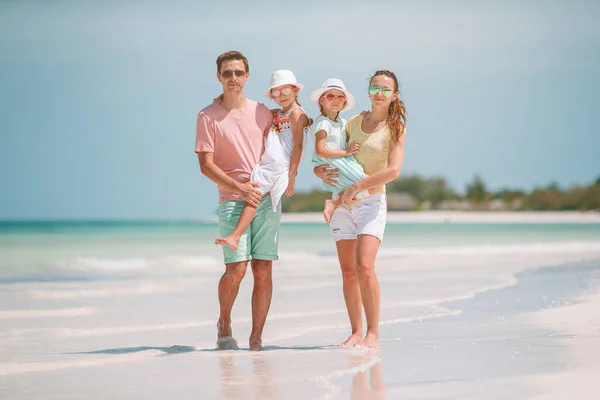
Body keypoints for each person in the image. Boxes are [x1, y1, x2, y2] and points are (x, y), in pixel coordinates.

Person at [314, 70, 407, 348]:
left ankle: (373, 332)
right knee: (347, 271)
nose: (379, 93)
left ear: (394, 96)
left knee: (364, 266)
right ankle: (356, 332)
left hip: (371, 201)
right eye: (375, 87)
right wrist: (319, 171)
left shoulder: (396, 127)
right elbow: (331, 154)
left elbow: (393, 171)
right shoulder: (352, 122)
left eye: (386, 89)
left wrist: (358, 187)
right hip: (343, 201)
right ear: (368, 91)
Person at [195, 50, 279, 351]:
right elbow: (205, 165)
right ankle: (225, 320)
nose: (233, 78)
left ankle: (256, 337)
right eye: (227, 73)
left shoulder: (263, 112)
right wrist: (239, 188)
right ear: (219, 76)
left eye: (238, 73)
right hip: (232, 198)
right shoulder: (207, 116)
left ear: (247, 76)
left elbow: (283, 149)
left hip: (267, 199)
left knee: (263, 269)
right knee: (237, 269)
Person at [215, 70, 310, 250]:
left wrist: (292, 176)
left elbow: (298, 146)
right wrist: (223, 103)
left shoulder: (296, 114)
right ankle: (236, 236)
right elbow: (255, 110)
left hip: (281, 161)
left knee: (254, 193)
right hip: (275, 158)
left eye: (286, 91)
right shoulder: (282, 112)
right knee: (256, 193)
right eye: (276, 92)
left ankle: (235, 236)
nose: (281, 96)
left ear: (295, 90)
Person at [308, 78, 373, 224]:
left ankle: (335, 203)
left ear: (344, 102)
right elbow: (320, 150)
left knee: (360, 187)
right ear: (321, 101)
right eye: (330, 96)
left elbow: (352, 129)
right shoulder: (322, 123)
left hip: (342, 162)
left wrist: (362, 117)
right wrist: (346, 152)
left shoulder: (341, 122)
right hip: (334, 162)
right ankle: (335, 203)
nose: (336, 100)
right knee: (368, 182)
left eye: (340, 97)